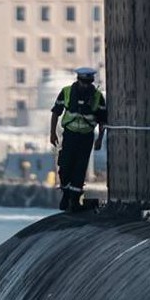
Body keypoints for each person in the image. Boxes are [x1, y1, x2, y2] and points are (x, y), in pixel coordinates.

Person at [49, 67, 107, 212]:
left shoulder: (97, 97)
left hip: (86, 137)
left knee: (80, 169)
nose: (86, 85)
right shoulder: (66, 92)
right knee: (65, 165)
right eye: (83, 82)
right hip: (70, 135)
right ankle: (66, 194)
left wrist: (100, 139)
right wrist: (52, 133)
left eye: (88, 82)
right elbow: (56, 112)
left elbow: (102, 120)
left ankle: (74, 200)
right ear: (78, 80)